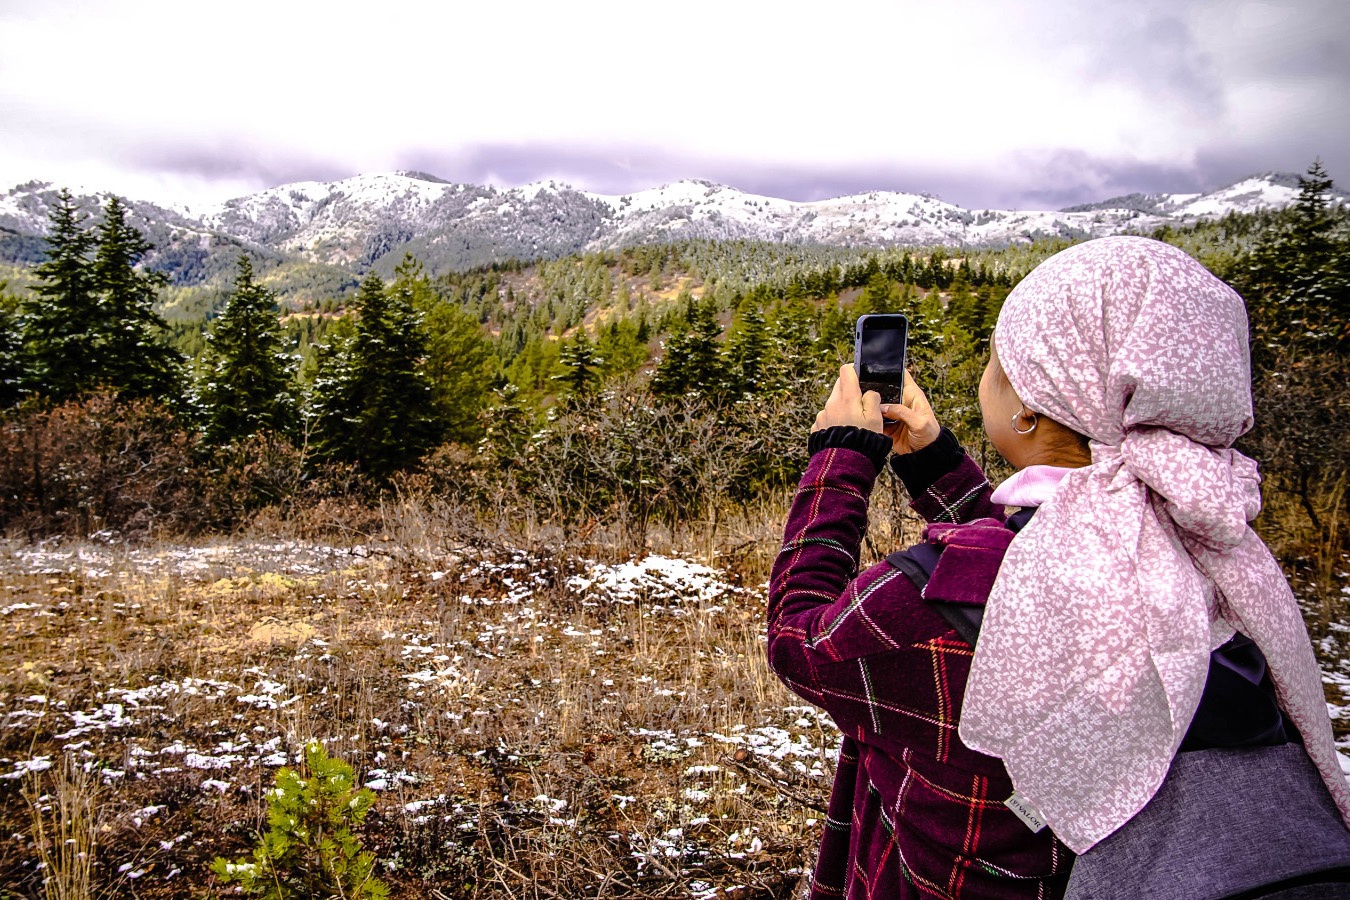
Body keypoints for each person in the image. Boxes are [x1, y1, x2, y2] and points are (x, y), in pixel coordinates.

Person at [767, 236, 1350, 899]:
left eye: (997, 363)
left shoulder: (927, 601)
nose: (986, 376)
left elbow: (799, 641)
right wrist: (929, 460)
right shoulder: (1206, 549)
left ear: (1032, 406)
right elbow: (1039, 550)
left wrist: (840, 457)